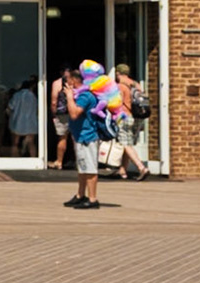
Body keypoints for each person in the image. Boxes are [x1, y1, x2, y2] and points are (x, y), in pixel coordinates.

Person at [63, 71, 104, 210]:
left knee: (90, 168)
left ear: (74, 81)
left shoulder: (85, 96)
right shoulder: (80, 95)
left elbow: (74, 113)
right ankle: (81, 195)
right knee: (82, 168)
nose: (66, 83)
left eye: (68, 80)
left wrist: (69, 97)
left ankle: (93, 199)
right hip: (80, 136)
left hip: (88, 137)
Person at [109, 63, 150, 181]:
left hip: (125, 116)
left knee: (125, 144)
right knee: (129, 143)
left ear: (118, 73)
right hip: (137, 117)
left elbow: (118, 102)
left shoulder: (120, 86)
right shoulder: (136, 85)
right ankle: (123, 170)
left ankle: (141, 168)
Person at [7, 76, 41, 158]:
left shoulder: (16, 95)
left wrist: (10, 117)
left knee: (15, 144)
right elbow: (37, 109)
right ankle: (33, 159)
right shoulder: (33, 97)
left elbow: (10, 107)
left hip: (17, 122)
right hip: (31, 122)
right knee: (31, 143)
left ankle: (14, 160)